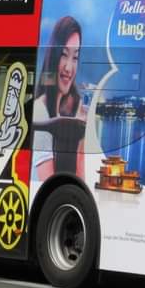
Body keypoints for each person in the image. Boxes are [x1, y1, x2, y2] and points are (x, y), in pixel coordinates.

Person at [32, 16, 86, 180]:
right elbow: (47, 182)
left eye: (75, 57)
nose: (69, 68)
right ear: (54, 56)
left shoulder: (68, 111)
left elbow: (80, 173)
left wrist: (82, 133)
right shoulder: (40, 111)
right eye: (64, 54)